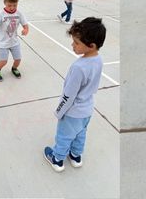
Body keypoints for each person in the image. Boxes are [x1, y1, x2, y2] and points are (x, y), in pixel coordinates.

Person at [44, 17, 106, 171]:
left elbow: (69, 95)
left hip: (73, 112)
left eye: (77, 43)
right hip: (87, 109)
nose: (73, 45)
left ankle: (57, 159)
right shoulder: (99, 60)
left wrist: (59, 111)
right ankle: (76, 156)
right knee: (80, 134)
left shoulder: (78, 67)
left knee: (64, 136)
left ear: (91, 46)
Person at [0, 0, 29, 80]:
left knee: (18, 59)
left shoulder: (19, 14)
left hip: (14, 42)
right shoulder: (1, 14)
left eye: (14, 5)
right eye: (9, 5)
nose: (12, 8)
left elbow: (25, 25)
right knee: (3, 61)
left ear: (17, 3)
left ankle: (14, 68)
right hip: (3, 43)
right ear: (5, 2)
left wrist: (25, 30)